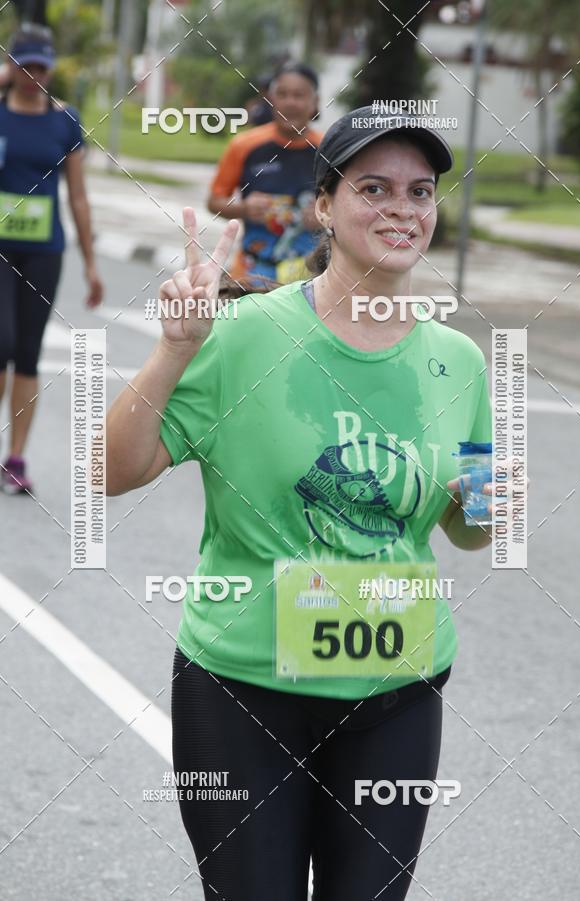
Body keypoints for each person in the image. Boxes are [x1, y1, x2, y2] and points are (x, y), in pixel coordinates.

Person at [106, 107, 508, 900]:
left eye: (420, 191)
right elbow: (112, 471)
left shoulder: (459, 359)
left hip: (398, 687)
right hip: (244, 693)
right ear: (323, 204)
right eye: (373, 187)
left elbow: (470, 529)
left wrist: (493, 502)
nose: (402, 207)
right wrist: (172, 351)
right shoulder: (244, 334)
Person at [0, 23, 102, 495]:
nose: (32, 74)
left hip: (46, 251)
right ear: (12, 66)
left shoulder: (66, 121)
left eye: (40, 65)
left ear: (51, 68)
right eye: (24, 64)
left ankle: (16, 459)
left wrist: (91, 263)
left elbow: (79, 198)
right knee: (0, 344)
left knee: (27, 355)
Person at [207, 61, 322, 285]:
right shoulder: (244, 145)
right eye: (282, 94)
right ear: (271, 100)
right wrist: (244, 208)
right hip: (251, 273)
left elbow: (356, 206)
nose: (290, 102)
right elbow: (214, 201)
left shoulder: (329, 149)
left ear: (314, 102)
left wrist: (326, 215)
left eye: (299, 95)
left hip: (311, 279)